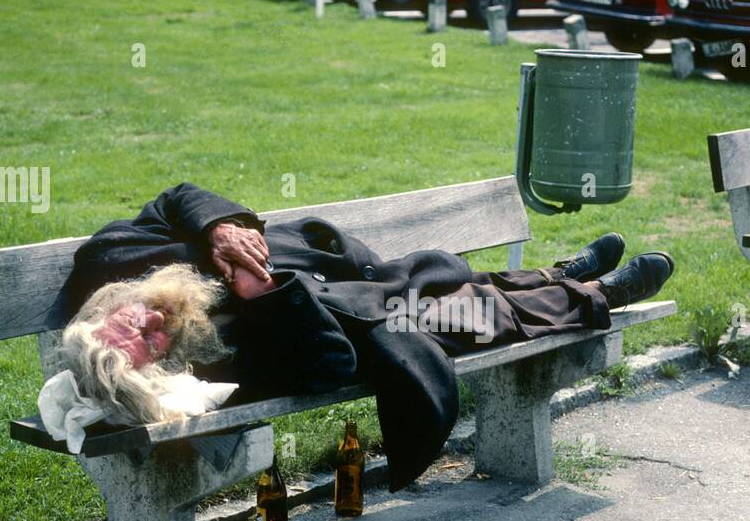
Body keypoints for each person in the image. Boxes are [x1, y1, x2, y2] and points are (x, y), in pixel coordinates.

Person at [58, 182, 675, 490]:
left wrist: (219, 228)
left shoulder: (114, 262)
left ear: (102, 309)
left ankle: (560, 275)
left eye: (127, 322)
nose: (149, 325)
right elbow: (328, 365)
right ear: (159, 370)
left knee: (458, 286)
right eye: (149, 347)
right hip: (365, 324)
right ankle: (596, 293)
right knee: (477, 313)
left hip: (351, 269)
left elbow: (177, 196)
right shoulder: (213, 369)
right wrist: (266, 298)